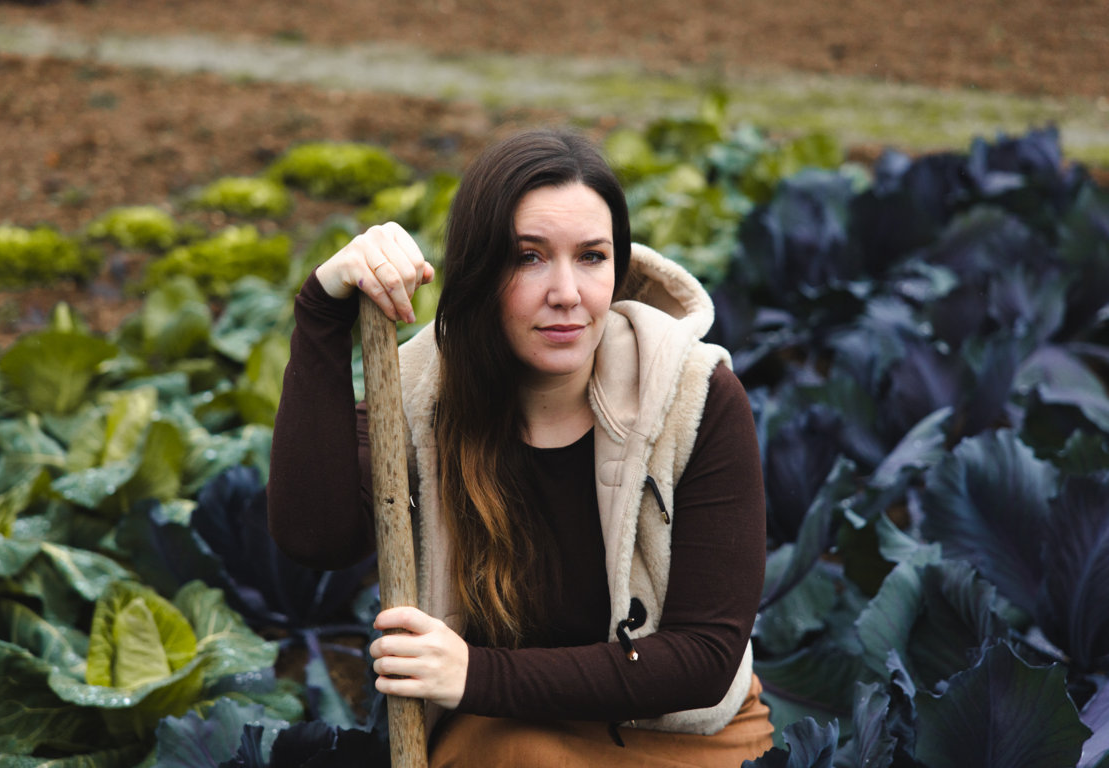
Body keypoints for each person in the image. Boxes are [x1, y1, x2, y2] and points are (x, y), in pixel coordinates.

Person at [267, 128, 773, 766]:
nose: (566, 292)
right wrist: (320, 314)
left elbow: (703, 656)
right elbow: (314, 538)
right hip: (501, 734)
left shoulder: (692, 396)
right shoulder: (424, 393)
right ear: (481, 270)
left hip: (678, 735)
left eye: (591, 256)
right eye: (528, 257)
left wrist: (474, 676)